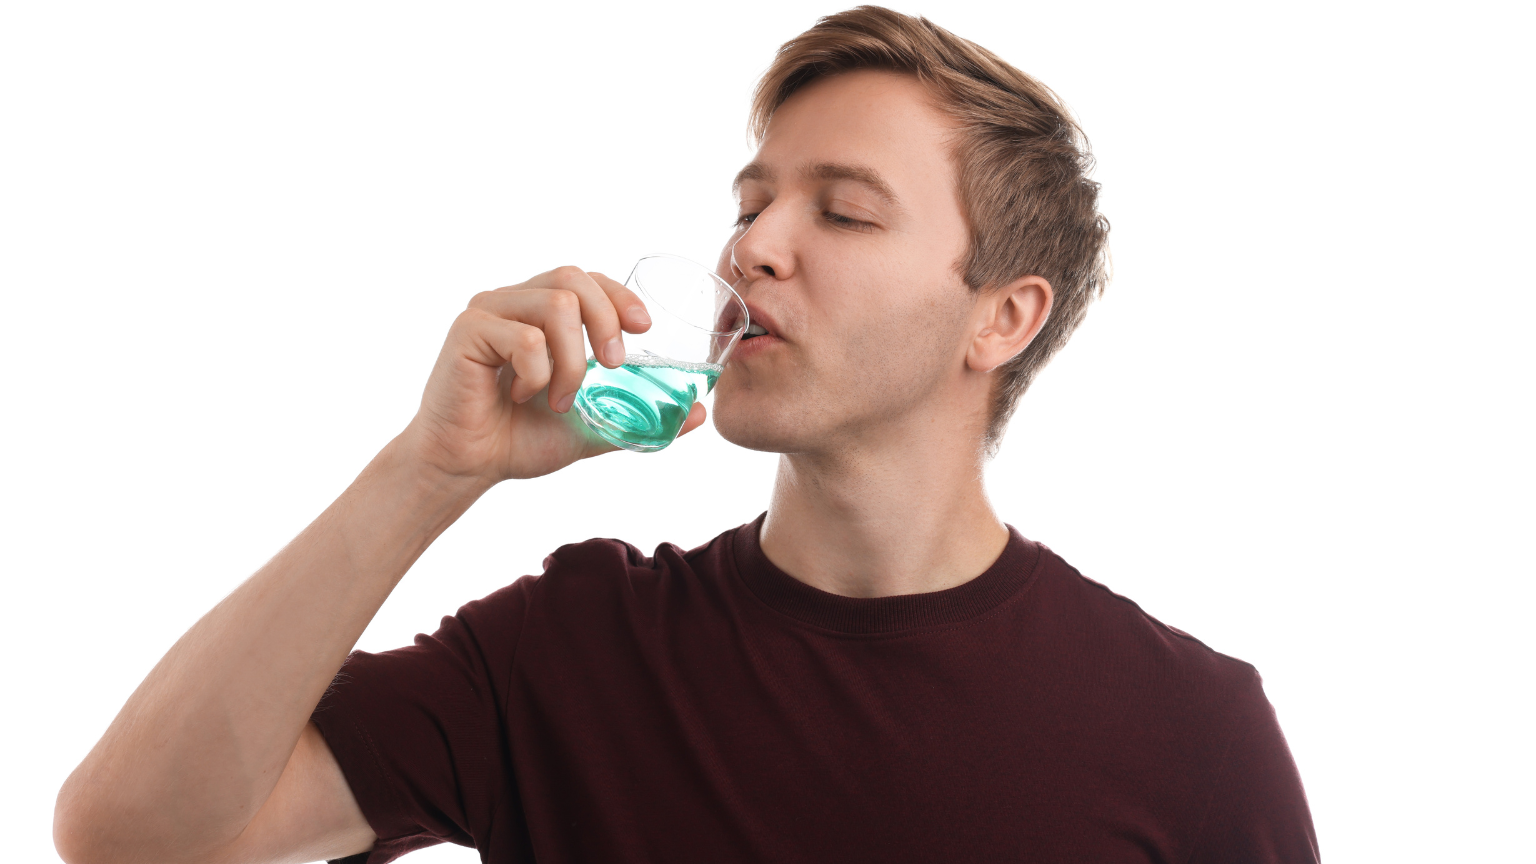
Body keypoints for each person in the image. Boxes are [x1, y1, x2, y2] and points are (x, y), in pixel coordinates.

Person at [53, 7, 1318, 863]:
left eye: (847, 213)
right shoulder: (571, 646)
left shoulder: (1188, 728)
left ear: (1002, 317)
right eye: (756, 199)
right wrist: (428, 474)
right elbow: (129, 835)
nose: (752, 246)